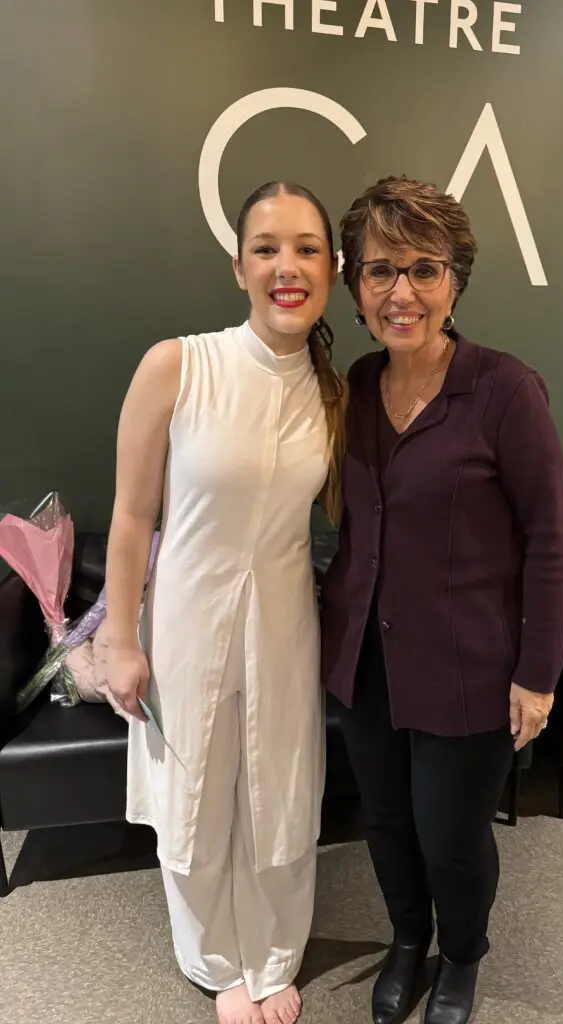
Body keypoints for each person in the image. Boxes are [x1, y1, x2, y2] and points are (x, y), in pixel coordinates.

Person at [320, 176, 563, 1024]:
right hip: (365, 662)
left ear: (455, 282)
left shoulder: (504, 391)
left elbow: (547, 538)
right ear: (356, 287)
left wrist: (538, 674)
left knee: (452, 838)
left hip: (468, 667)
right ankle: (406, 939)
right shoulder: (351, 389)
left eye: (425, 269)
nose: (403, 292)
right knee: (386, 824)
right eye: (382, 270)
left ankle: (462, 955)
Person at [105, 181, 345, 1024]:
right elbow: (133, 515)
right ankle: (215, 962)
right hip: (186, 621)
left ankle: (275, 953)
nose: (288, 266)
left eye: (307, 248)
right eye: (268, 248)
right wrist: (119, 639)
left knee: (280, 789)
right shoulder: (178, 362)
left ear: (332, 266)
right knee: (197, 790)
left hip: (285, 623)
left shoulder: (332, 392)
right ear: (238, 265)